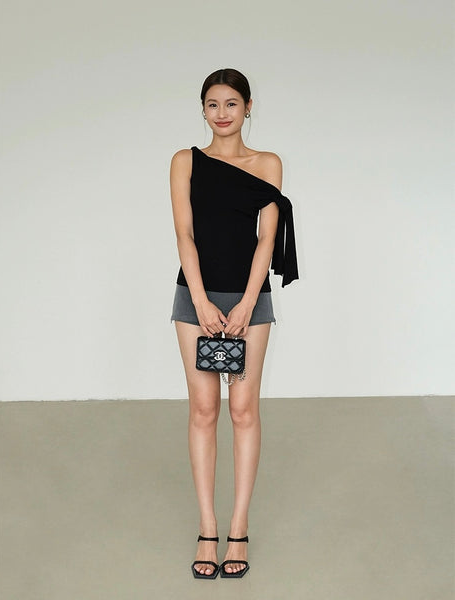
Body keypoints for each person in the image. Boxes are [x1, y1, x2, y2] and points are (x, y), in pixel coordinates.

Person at [170, 68, 298, 580]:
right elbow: (184, 233)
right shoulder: (185, 162)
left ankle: (238, 526)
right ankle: (208, 526)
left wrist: (246, 303)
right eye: (212, 104)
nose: (221, 113)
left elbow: (267, 238)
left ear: (247, 107)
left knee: (243, 410)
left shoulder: (267, 163)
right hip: (195, 296)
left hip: (250, 298)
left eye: (231, 104)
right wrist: (201, 301)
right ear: (202, 110)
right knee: (204, 410)